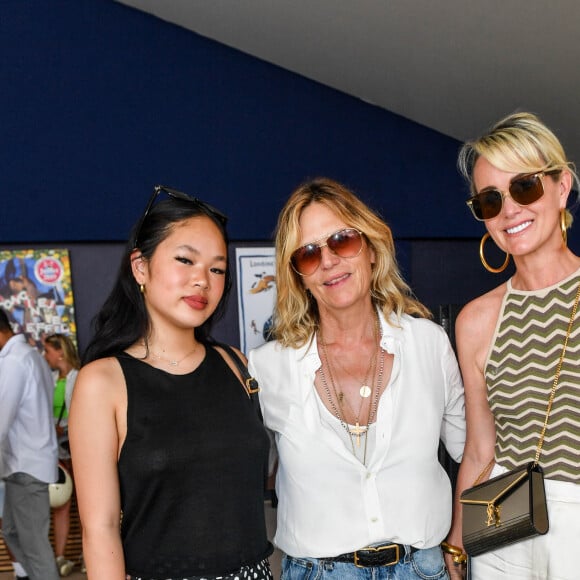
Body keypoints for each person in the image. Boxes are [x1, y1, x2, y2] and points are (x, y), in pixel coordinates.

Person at [248, 177, 466, 579]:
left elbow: (474, 451)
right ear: (298, 276)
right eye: (309, 254)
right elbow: (231, 471)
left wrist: (459, 538)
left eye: (342, 240)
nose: (329, 260)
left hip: (422, 569)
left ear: (370, 248)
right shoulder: (268, 367)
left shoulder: (427, 345)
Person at [69, 185, 274, 580]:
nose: (203, 280)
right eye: (185, 260)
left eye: (216, 269)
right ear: (140, 267)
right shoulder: (103, 382)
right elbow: (100, 529)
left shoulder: (235, 364)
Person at [444, 111, 580, 580]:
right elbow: (480, 448)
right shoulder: (475, 320)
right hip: (503, 515)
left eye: (525, 187)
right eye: (489, 200)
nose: (509, 211)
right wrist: (459, 540)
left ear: (562, 187)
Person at [0, 307, 60, 580]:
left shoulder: (15, 361)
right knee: (12, 532)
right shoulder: (31, 356)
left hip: (27, 464)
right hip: (21, 464)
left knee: (34, 544)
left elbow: (2, 417)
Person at [43, 333, 81, 577]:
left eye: (48, 351)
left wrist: (66, 426)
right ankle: (59, 557)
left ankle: (90, 556)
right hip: (58, 450)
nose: (45, 356)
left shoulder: (81, 377)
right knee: (61, 504)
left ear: (60, 352)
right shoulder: (51, 379)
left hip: (80, 449)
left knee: (89, 505)